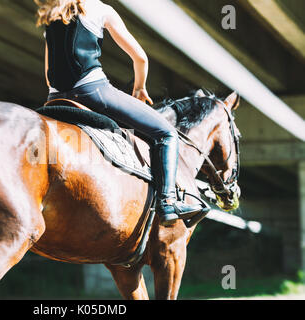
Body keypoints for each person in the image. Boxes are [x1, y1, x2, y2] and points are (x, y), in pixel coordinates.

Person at [35, 0, 202, 226]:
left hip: (54, 99)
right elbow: (140, 58)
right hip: (93, 92)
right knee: (166, 133)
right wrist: (139, 88)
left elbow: (48, 76)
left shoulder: (52, 16)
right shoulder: (102, 9)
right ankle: (167, 201)